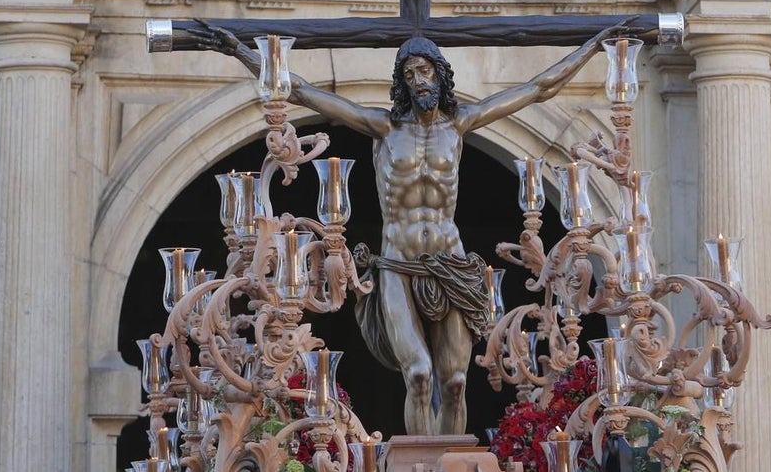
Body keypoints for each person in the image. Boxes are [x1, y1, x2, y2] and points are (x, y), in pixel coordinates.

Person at [187, 23, 620, 435]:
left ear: (440, 73)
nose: (419, 80)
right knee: (418, 375)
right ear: (402, 82)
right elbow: (301, 90)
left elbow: (538, 89)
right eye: (410, 73)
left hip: (450, 265)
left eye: (425, 70)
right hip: (397, 263)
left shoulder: (461, 124)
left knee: (453, 381)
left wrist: (593, 47)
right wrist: (242, 52)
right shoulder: (384, 127)